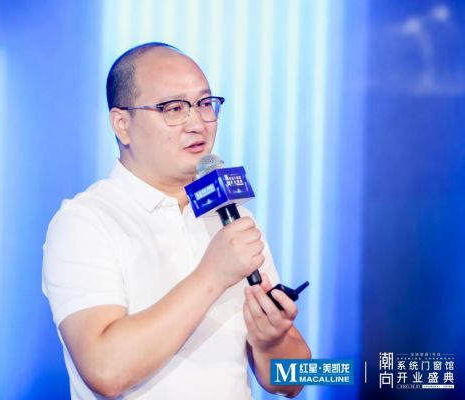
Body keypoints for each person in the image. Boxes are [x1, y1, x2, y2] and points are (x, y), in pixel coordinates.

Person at [42, 42, 311, 399]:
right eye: (174, 108)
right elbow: (105, 370)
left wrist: (271, 340)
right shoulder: (85, 221)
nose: (197, 123)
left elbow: (291, 381)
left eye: (205, 104)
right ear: (122, 124)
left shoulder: (231, 217)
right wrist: (212, 275)